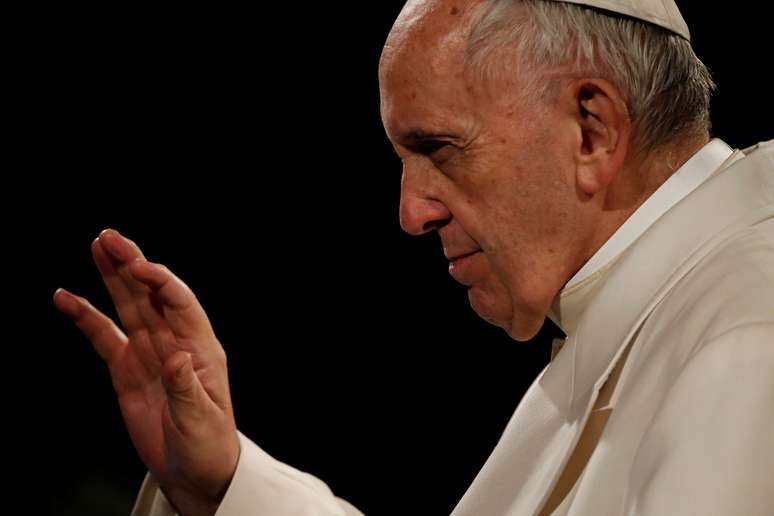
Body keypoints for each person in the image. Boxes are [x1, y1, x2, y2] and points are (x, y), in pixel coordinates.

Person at [53, 0, 773, 514]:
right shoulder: (662, 307)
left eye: (437, 149)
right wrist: (225, 482)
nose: (411, 213)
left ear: (591, 130)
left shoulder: (748, 331)